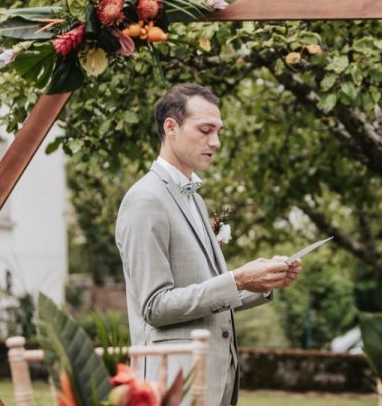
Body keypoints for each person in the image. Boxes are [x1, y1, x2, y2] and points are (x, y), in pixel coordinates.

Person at [115, 83, 302, 406]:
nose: (215, 142)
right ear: (170, 128)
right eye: (205, 130)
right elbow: (155, 307)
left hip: (216, 381)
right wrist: (238, 278)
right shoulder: (146, 199)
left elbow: (207, 294)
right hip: (174, 383)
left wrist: (262, 283)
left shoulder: (196, 201)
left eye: (218, 131)